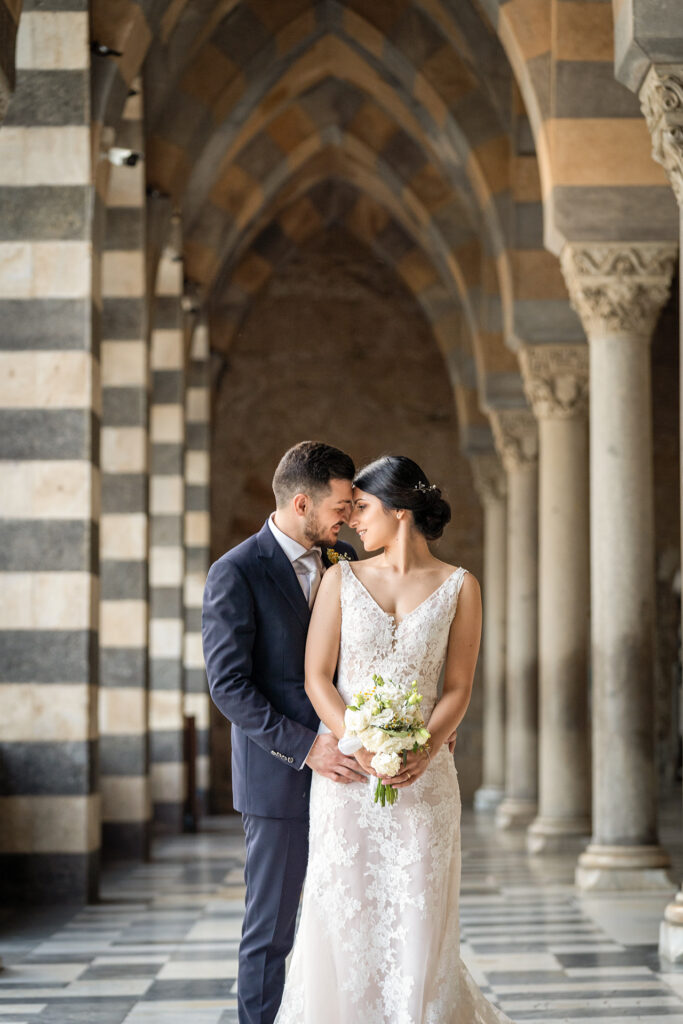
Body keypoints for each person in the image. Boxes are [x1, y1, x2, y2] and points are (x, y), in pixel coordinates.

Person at [275, 455, 513, 1024]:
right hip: (350, 781)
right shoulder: (340, 579)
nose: (352, 519)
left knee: (418, 914)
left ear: (400, 510)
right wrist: (356, 742)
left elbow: (458, 687)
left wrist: (424, 750)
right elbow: (317, 677)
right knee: (346, 916)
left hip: (425, 783)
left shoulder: (461, 586)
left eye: (362, 507)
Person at [202, 441, 366, 1024]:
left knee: (346, 920)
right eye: (341, 506)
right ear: (302, 503)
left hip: (351, 772)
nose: (349, 517)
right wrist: (306, 747)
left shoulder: (344, 559)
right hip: (279, 777)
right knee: (271, 930)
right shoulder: (235, 572)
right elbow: (228, 686)